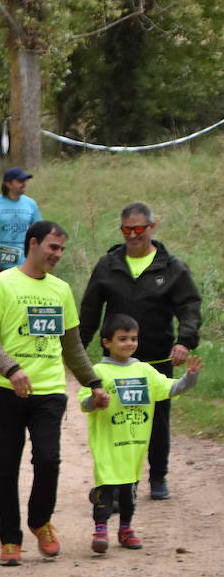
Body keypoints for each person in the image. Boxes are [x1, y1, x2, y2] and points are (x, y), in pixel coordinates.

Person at [0, 221, 109, 567]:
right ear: (33, 244)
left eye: (62, 249)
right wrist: (12, 369)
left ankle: (40, 521)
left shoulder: (61, 290)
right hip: (6, 389)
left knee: (48, 460)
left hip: (49, 391)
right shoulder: (1, 283)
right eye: (53, 247)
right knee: (6, 466)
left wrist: (93, 383)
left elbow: (72, 345)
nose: (58, 255)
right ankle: (10, 539)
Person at [78, 202, 202, 501]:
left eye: (139, 229)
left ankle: (158, 476)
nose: (133, 236)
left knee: (157, 418)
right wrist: (77, 350)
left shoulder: (172, 267)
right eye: (126, 230)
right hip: (116, 361)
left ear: (152, 227)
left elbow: (189, 307)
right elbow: (91, 310)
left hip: (156, 356)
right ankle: (121, 482)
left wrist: (184, 341)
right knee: (118, 421)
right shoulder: (108, 265)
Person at [81, 314, 202, 552]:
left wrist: (190, 377)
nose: (129, 343)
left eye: (133, 338)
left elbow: (171, 388)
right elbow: (83, 403)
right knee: (105, 488)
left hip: (134, 446)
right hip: (108, 445)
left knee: (129, 491)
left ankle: (126, 530)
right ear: (107, 342)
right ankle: (101, 530)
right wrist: (95, 400)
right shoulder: (96, 372)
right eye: (122, 338)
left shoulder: (145, 371)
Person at [0, 167, 41, 269]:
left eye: (25, 181)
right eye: (20, 181)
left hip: (23, 261)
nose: (24, 184)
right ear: (8, 184)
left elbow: (39, 230)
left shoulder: (31, 204)